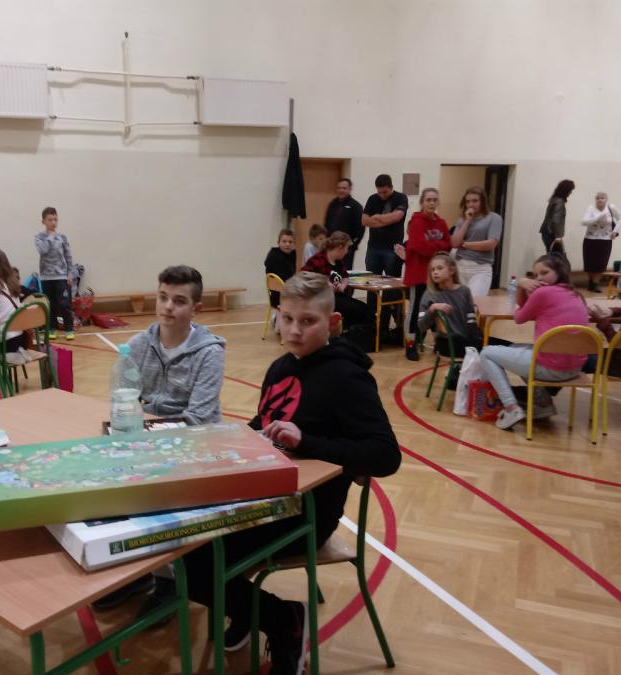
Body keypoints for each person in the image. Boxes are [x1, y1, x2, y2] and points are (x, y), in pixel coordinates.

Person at [180, 272, 400, 672]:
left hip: (307, 512)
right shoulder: (281, 366)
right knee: (182, 540)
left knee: (194, 563)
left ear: (332, 322)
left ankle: (284, 621)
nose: (295, 330)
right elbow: (267, 423)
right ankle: (249, 610)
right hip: (262, 495)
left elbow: (386, 456)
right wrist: (231, 438)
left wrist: (307, 442)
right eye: (287, 318)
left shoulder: (348, 377)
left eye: (308, 321)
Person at [94, 265, 226, 619]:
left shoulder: (210, 352)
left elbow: (198, 419)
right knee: (107, 480)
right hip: (150, 439)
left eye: (179, 301)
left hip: (197, 445)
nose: (168, 306)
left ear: (196, 308)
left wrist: (145, 434)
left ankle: (170, 580)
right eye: (163, 297)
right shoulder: (139, 345)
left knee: (159, 496)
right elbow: (124, 402)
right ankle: (139, 572)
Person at [480, 255, 589, 430]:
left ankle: (511, 408)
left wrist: (521, 284)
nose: (539, 278)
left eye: (545, 273)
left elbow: (518, 317)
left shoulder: (543, 293)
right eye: (536, 275)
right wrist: (522, 286)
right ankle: (543, 404)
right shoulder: (576, 294)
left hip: (552, 368)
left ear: (559, 272)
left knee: (486, 353)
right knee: (515, 348)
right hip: (575, 368)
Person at [394, 187, 450, 361]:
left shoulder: (441, 223)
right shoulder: (416, 222)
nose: (432, 203)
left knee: (437, 309)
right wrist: (439, 246)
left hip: (437, 275)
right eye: (428, 200)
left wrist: (434, 246)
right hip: (418, 273)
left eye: (434, 200)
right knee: (415, 309)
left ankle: (439, 342)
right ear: (422, 202)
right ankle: (410, 344)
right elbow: (420, 247)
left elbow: (448, 245)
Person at [362, 174, 409, 336]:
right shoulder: (372, 199)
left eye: (385, 192)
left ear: (391, 187)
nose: (382, 195)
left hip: (392, 250)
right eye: (379, 192)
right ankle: (371, 324)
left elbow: (397, 216)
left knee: (391, 289)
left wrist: (377, 218)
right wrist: (385, 220)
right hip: (373, 248)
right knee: (371, 286)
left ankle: (389, 325)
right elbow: (365, 221)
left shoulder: (401, 198)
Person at [302, 232, 372, 336]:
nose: (347, 252)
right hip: (321, 298)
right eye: (347, 248)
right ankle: (348, 335)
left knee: (366, 309)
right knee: (357, 311)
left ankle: (355, 335)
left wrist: (342, 285)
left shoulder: (338, 261)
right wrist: (324, 283)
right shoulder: (319, 259)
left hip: (336, 296)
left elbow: (345, 276)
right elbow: (304, 275)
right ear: (340, 247)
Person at [450, 186, 503, 297]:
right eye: (468, 201)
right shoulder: (462, 219)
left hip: (480, 267)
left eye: (475, 201)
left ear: (482, 201)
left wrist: (464, 244)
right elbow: (454, 243)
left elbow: (490, 244)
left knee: (474, 301)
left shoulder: (494, 218)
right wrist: (467, 221)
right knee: (459, 302)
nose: (471, 204)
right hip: (460, 265)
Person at [34, 206, 76, 341]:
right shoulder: (39, 237)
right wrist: (50, 237)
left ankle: (69, 329)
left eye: (55, 219)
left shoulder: (62, 237)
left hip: (61, 276)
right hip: (46, 277)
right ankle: (52, 328)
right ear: (43, 221)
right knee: (50, 304)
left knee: (64, 304)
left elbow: (68, 256)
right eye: (50, 220)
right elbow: (42, 251)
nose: (53, 222)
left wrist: (70, 273)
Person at [581, 192, 621, 292]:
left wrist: (615, 231)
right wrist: (598, 217)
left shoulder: (611, 208)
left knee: (601, 263)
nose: (600, 200)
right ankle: (591, 283)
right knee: (589, 264)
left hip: (605, 240)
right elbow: (584, 222)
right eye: (598, 198)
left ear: (606, 199)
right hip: (590, 239)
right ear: (595, 200)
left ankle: (595, 284)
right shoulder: (591, 208)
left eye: (602, 198)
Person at [323, 177, 364, 269]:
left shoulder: (356, 206)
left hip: (346, 250)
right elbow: (326, 224)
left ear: (350, 189)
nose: (341, 190)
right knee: (330, 272)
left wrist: (352, 246)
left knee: (344, 272)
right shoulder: (332, 204)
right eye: (339, 188)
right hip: (331, 248)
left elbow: (361, 229)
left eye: (344, 188)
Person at [539, 179, 575, 256]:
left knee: (551, 256)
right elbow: (556, 220)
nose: (571, 192)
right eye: (570, 190)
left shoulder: (554, 200)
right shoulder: (560, 202)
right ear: (566, 190)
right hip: (552, 234)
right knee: (556, 258)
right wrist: (558, 237)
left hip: (546, 232)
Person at [264, 228, 297, 309]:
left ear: (293, 244)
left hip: (281, 295)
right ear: (278, 243)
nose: (287, 244)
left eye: (290, 242)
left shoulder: (291, 255)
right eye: (284, 241)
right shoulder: (275, 256)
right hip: (280, 297)